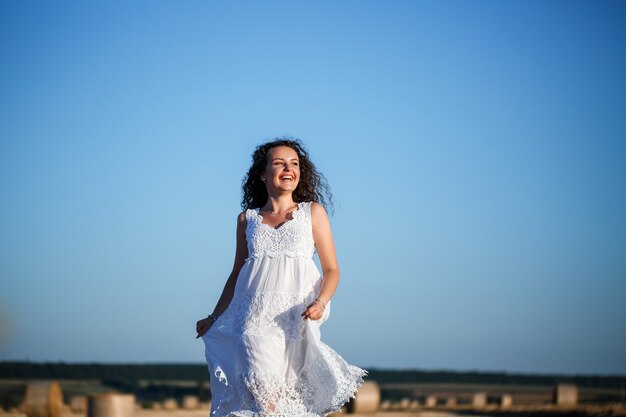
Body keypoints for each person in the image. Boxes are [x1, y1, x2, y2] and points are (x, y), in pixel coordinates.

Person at [196, 137, 367, 417]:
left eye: (294, 163)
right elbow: (237, 272)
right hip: (253, 320)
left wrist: (321, 302)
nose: (289, 169)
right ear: (263, 174)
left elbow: (332, 270)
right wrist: (214, 317)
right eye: (279, 163)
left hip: (296, 319)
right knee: (266, 401)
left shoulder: (312, 213)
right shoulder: (247, 220)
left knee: (289, 403)